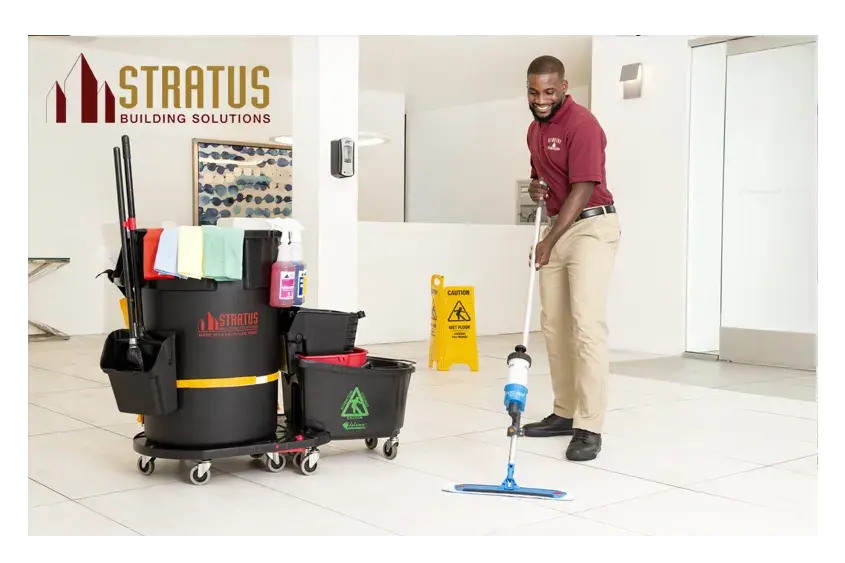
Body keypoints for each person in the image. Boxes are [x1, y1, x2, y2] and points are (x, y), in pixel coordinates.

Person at [521, 55, 621, 462]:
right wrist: (536, 190)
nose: (541, 99)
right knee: (554, 325)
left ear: (564, 87)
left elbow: (582, 187)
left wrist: (550, 240)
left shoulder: (583, 125)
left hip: (592, 227)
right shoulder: (534, 129)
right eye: (533, 91)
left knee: (586, 325)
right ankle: (565, 411)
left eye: (548, 91)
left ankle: (589, 425)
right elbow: (541, 179)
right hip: (560, 226)